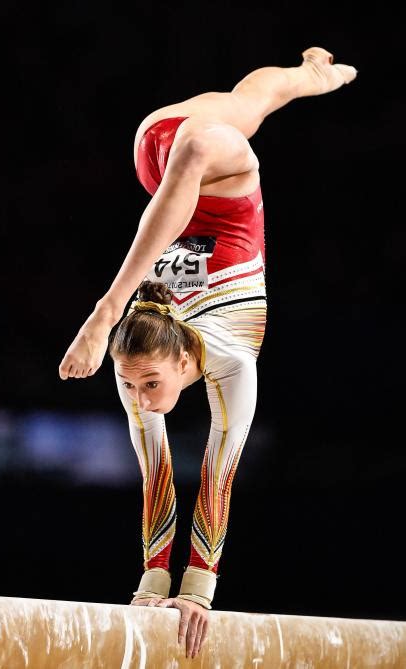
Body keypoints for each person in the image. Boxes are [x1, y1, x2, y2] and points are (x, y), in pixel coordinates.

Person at [58, 47, 357, 659]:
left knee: (224, 123)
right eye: (137, 386)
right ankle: (306, 77)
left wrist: (194, 587)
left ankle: (307, 77)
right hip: (219, 178)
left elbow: (209, 473)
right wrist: (161, 585)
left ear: (173, 363)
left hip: (167, 155)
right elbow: (167, 474)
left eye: (143, 385)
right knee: (243, 110)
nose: (139, 396)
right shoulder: (192, 362)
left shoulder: (149, 345)